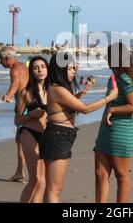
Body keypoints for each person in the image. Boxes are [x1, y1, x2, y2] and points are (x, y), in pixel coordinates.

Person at [40, 52, 118, 203]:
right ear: (60, 70)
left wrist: (81, 94)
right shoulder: (57, 89)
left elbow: (65, 108)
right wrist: (109, 97)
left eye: (74, 68)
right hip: (58, 136)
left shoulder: (59, 89)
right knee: (54, 190)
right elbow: (85, 109)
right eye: (70, 69)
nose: (74, 72)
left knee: (52, 188)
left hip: (61, 135)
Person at [94, 43, 133, 203]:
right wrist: (100, 131)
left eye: (109, 56)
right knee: (100, 173)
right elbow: (109, 105)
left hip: (121, 132)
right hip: (106, 133)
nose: (107, 59)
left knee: (121, 175)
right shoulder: (113, 78)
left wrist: (112, 111)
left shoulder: (124, 78)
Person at [15, 56, 49, 203]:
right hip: (29, 133)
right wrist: (31, 115)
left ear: (48, 69)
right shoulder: (25, 92)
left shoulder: (53, 91)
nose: (40, 70)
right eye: (36, 67)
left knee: (43, 181)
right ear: (31, 71)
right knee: (34, 179)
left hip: (47, 136)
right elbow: (17, 121)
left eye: (42, 66)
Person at [0, 46, 29, 182]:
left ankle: (21, 172)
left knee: (22, 141)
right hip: (30, 103)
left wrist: (8, 96)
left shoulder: (14, 70)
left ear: (7, 58)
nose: (0, 63)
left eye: (1, 59)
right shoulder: (23, 66)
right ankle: (19, 171)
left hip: (23, 107)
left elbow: (15, 84)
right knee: (21, 139)